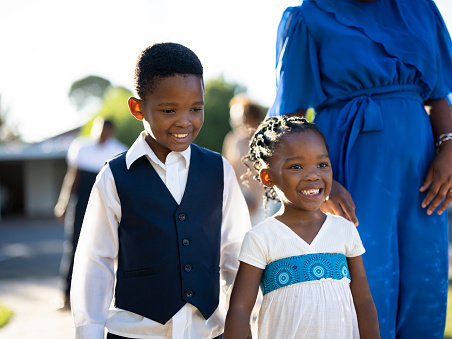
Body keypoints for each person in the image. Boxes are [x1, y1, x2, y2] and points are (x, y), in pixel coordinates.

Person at [267, 1, 452, 338]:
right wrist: (320, 182)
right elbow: (290, 118)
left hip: (421, 171)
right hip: (349, 170)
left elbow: (438, 92)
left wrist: (449, 147)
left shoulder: (421, 9)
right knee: (365, 286)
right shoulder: (310, 16)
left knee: (425, 286)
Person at [70, 42, 251, 339]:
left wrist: (239, 323)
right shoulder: (114, 177)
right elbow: (95, 262)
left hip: (209, 333)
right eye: (169, 110)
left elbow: (236, 253)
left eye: (196, 108)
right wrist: (88, 333)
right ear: (137, 107)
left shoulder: (219, 170)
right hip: (136, 334)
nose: (185, 121)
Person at [224, 116, 380, 339]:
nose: (313, 175)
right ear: (268, 177)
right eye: (296, 166)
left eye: (322, 164)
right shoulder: (261, 237)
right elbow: (240, 309)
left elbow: (363, 300)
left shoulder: (344, 230)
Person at [54, 117, 127, 310]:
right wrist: (63, 203)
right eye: (99, 129)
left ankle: (108, 299)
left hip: (107, 204)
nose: (102, 134)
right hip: (80, 204)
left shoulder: (119, 151)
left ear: (111, 132)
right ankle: (67, 296)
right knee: (73, 248)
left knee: (111, 249)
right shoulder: (81, 147)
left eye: (106, 131)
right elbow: (72, 178)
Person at [222, 94, 266, 224]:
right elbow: (227, 171)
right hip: (238, 201)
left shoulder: (264, 142)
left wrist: (256, 200)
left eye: (238, 116)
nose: (234, 120)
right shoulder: (231, 140)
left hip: (262, 205)